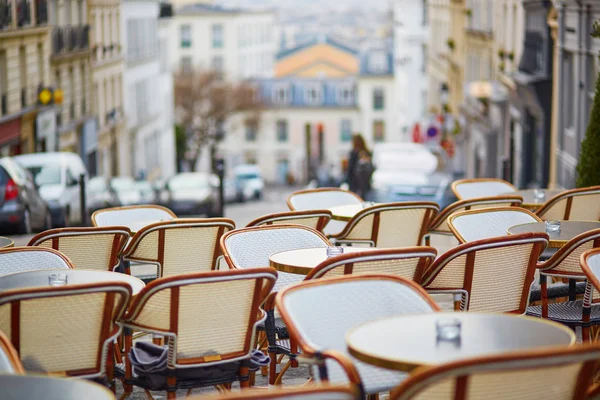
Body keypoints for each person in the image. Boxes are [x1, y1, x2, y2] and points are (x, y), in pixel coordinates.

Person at [345, 134, 373, 198]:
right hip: (365, 184)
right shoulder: (367, 152)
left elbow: (350, 168)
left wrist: (347, 180)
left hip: (354, 183)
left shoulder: (354, 153)